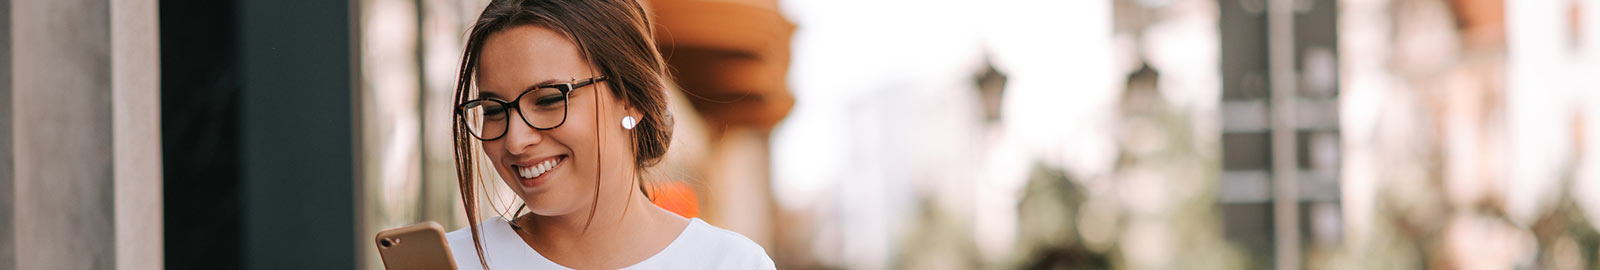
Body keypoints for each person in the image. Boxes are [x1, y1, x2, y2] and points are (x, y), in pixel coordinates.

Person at [442, 0, 774, 268]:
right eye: (493, 110)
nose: (515, 140)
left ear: (631, 98)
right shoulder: (452, 261)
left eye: (548, 100)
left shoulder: (730, 262)